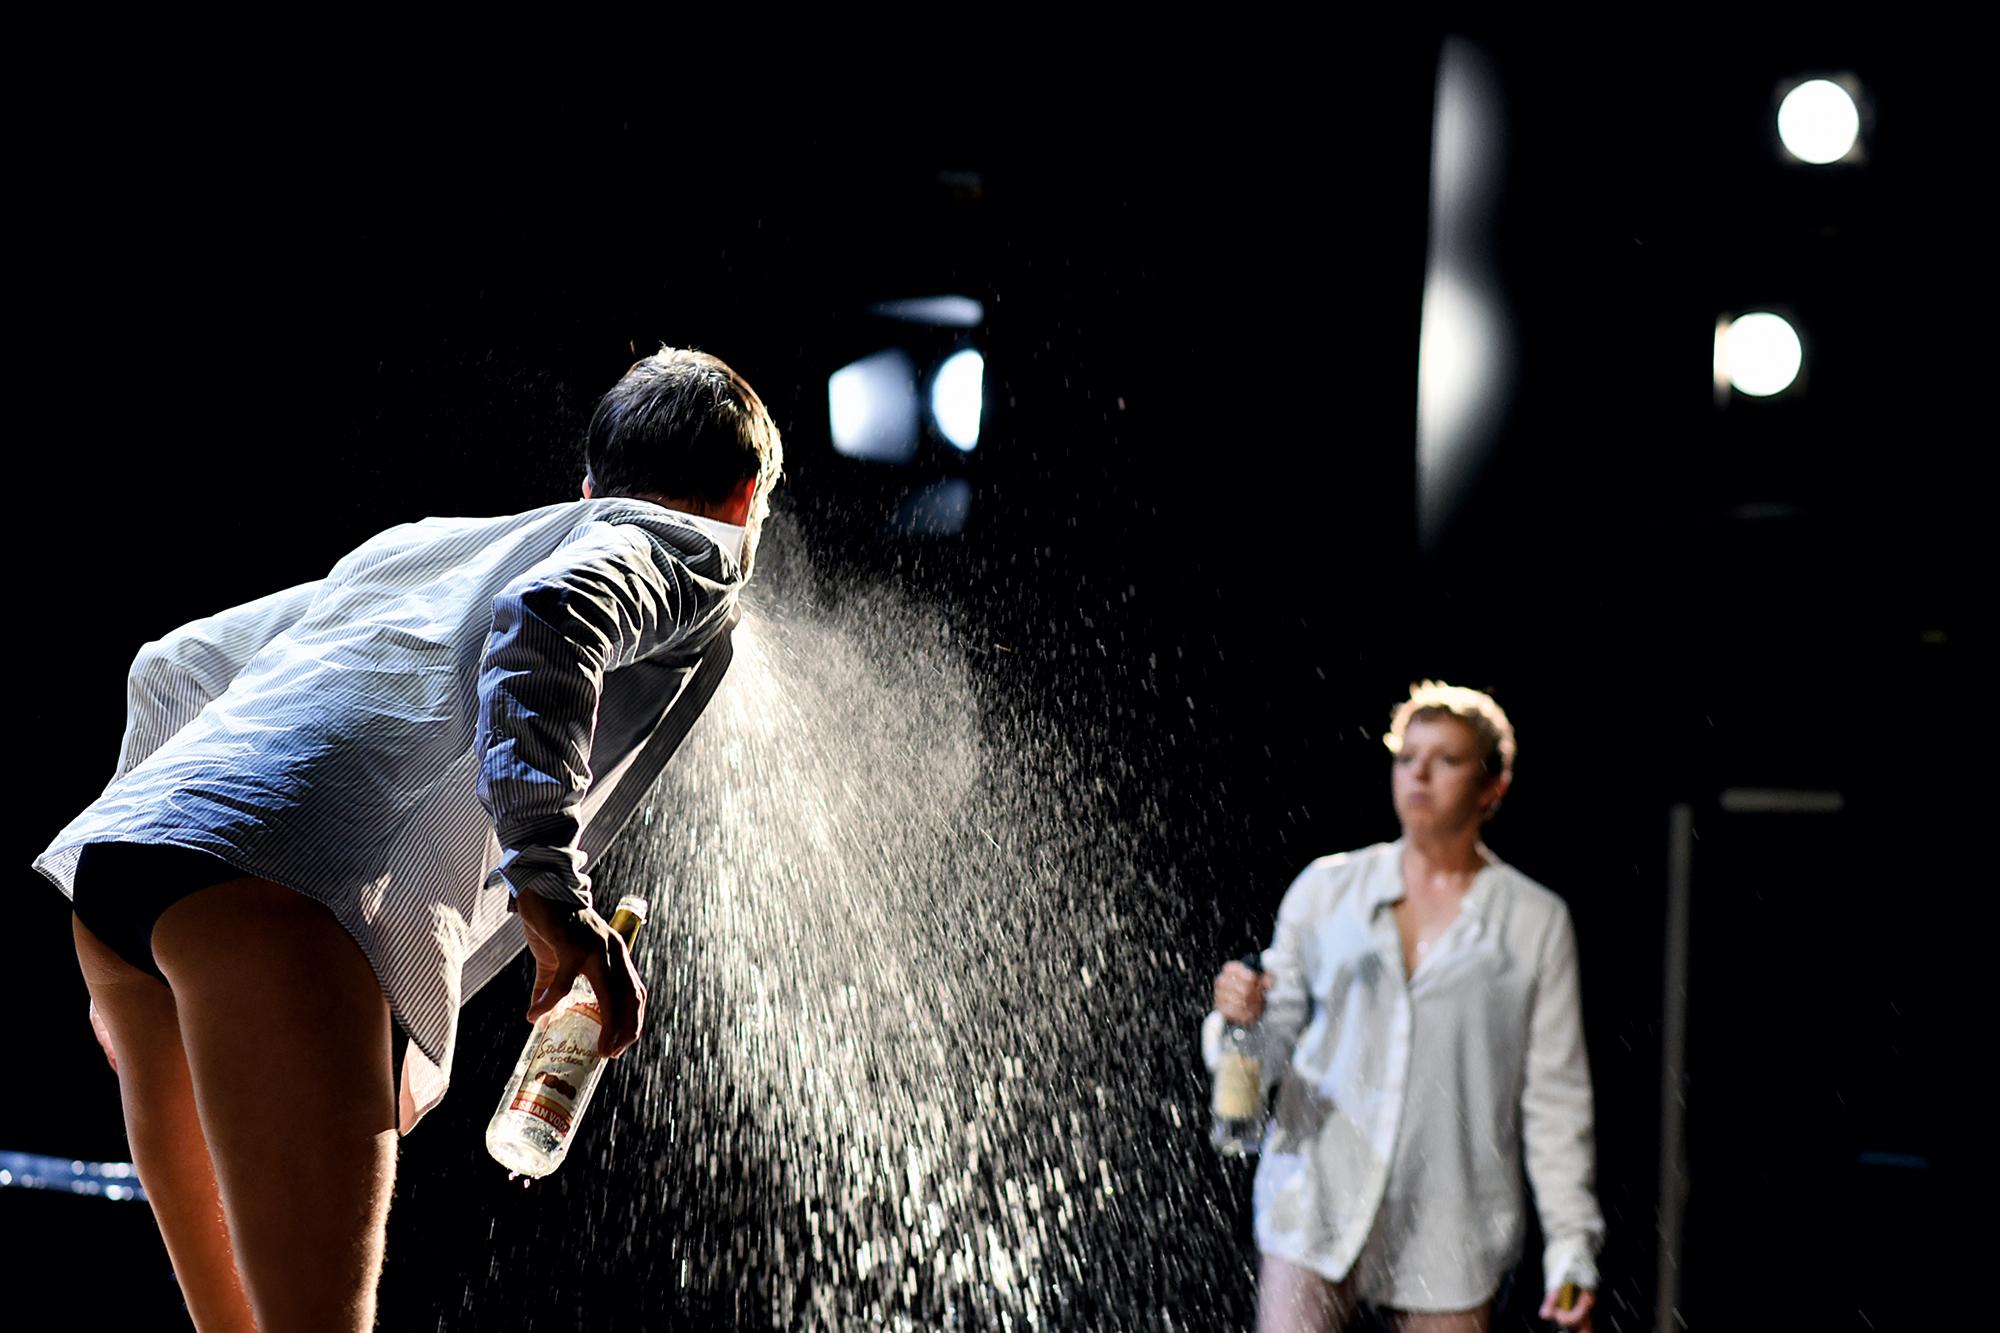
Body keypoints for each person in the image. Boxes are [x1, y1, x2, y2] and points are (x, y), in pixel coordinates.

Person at [33, 346, 783, 1332]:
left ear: (589, 480)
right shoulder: (690, 545)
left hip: (124, 874)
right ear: (740, 499)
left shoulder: (425, 546)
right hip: (287, 889)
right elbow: (551, 617)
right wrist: (551, 896)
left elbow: (170, 668)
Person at [1206, 682, 1603, 1333]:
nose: (1418, 772)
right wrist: (1241, 1018)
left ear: (1491, 785)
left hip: (1453, 1221)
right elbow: (1264, 1050)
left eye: (1445, 759)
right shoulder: (1327, 889)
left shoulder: (1534, 921)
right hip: (1316, 1199)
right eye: (1406, 755)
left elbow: (1555, 1100)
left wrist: (1571, 1251)